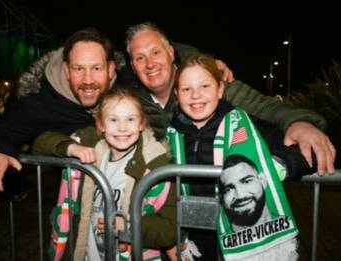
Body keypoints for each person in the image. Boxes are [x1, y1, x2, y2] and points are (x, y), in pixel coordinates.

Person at [123, 22, 336, 176]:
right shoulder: (130, 100)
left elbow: (262, 105)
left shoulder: (211, 82)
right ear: (132, 66)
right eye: (139, 58)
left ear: (171, 52)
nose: (150, 64)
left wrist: (298, 123)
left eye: (156, 52)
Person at [167, 55, 309, 259]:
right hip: (195, 239)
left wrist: (277, 166)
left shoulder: (244, 124)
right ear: (176, 94)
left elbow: (301, 150)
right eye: (186, 89)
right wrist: (173, 237)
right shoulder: (170, 136)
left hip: (240, 233)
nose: (195, 95)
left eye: (205, 86)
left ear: (220, 89)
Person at [33, 88, 177, 260]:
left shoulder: (156, 164)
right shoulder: (89, 144)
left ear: (141, 124)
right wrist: (71, 147)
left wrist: (129, 226)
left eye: (130, 119)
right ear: (101, 125)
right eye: (113, 120)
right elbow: (40, 143)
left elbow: (170, 229)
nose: (122, 128)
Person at [0, 28, 115, 192]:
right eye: (79, 69)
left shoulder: (130, 88)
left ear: (110, 69)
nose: (88, 80)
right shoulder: (42, 103)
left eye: (96, 68)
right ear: (66, 71)